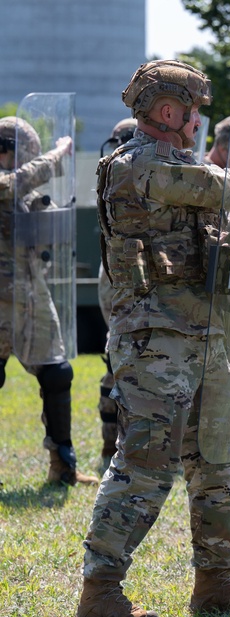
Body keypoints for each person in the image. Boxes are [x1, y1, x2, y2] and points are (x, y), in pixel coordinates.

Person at [77, 59, 230, 617]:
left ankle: (217, 583)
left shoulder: (174, 164)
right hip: (156, 339)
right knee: (144, 463)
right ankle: (101, 591)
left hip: (204, 331)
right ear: (169, 112)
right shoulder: (140, 164)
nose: (198, 124)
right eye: (194, 113)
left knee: (215, 461)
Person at [0, 114, 97, 486]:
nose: (27, 165)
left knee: (57, 373)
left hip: (30, 294)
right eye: (24, 157)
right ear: (7, 153)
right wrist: (58, 155)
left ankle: (63, 465)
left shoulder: (19, 190)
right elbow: (16, 182)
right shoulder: (9, 181)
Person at [96, 118, 138, 473]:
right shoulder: (121, 173)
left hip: (120, 275)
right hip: (120, 277)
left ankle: (114, 448)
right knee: (117, 370)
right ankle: (114, 448)